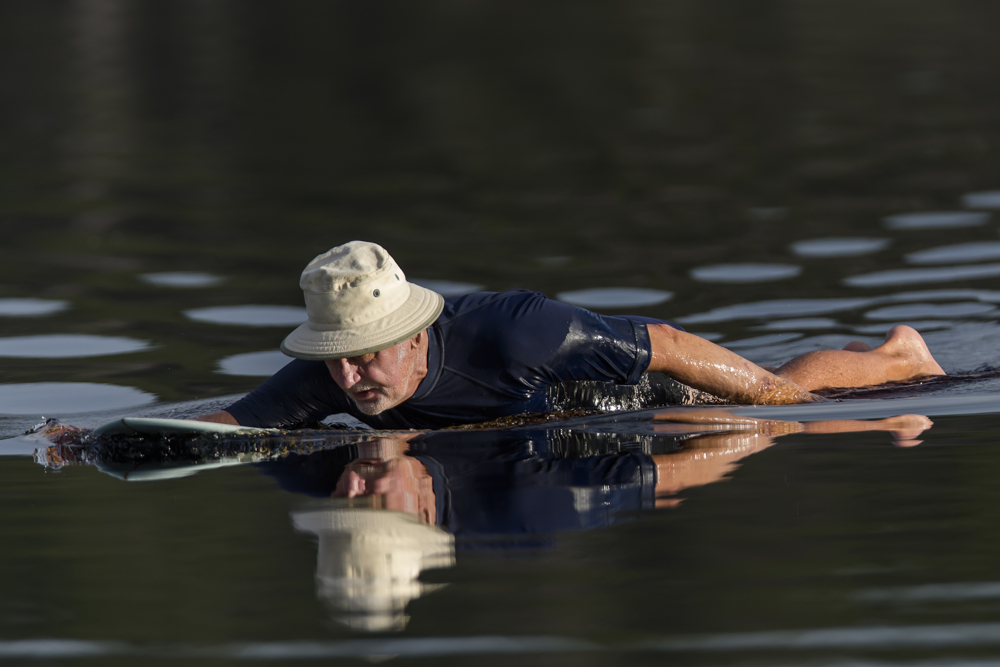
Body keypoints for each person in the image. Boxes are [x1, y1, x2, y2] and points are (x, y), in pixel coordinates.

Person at [195, 241, 945, 430]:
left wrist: (780, 408)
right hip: (554, 418)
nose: (349, 380)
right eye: (335, 361)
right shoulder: (330, 378)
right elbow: (230, 424)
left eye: (364, 356)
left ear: (415, 333)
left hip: (645, 394)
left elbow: (669, 343)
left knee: (787, 392)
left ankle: (894, 359)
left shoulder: (521, 332)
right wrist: (82, 443)